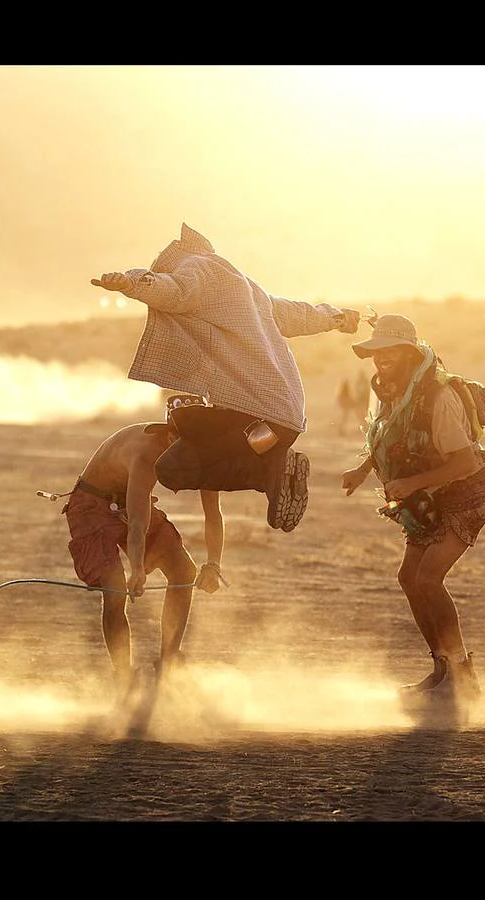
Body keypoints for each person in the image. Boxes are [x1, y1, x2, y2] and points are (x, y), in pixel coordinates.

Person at [91, 223, 361, 532]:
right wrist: (338, 317)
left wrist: (130, 281)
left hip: (260, 419)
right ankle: (272, 468)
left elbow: (173, 291)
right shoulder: (247, 290)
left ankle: (270, 472)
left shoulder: (197, 272)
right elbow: (299, 315)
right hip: (283, 417)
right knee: (187, 420)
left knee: (169, 470)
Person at [340, 315, 485, 705]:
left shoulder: (438, 397)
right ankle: (442, 669)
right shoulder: (392, 393)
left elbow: (465, 462)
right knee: (408, 578)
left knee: (428, 579)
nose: (382, 358)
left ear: (410, 354)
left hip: (469, 493)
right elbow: (389, 442)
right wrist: (363, 470)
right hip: (431, 496)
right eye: (377, 351)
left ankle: (463, 677)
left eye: (391, 351)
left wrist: (410, 484)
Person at [55, 398, 226, 699]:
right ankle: (123, 678)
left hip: (128, 504)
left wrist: (213, 563)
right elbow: (137, 523)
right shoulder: (145, 454)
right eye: (184, 440)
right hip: (92, 506)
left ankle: (169, 664)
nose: (190, 449)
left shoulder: (206, 454)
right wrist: (137, 570)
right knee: (115, 587)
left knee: (183, 570)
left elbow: (213, 514)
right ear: (169, 434)